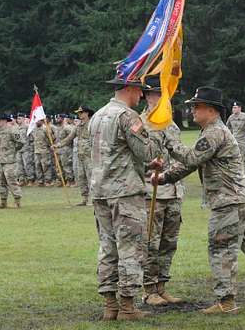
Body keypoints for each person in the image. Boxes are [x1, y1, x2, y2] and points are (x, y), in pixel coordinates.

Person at [154, 86, 245, 314]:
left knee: (221, 249)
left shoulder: (214, 132)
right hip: (241, 197)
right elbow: (193, 163)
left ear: (211, 109)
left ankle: (226, 302)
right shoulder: (213, 131)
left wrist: (167, 137)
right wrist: (164, 177)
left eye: (196, 107)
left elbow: (190, 157)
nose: (192, 111)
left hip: (229, 200)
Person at [89, 75, 164, 321]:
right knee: (130, 248)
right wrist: (155, 129)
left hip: (101, 192)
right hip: (125, 193)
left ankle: (110, 306)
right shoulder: (127, 116)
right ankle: (128, 307)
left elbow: (115, 155)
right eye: (139, 91)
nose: (141, 95)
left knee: (107, 248)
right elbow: (147, 150)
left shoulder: (98, 115)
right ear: (130, 89)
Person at [139, 76, 184, 307]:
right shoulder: (140, 123)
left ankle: (162, 286)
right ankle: (148, 289)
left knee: (169, 242)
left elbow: (180, 155)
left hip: (173, 191)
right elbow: (136, 157)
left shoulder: (170, 123)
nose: (163, 98)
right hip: (151, 191)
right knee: (150, 243)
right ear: (148, 96)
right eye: (158, 94)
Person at [0, 114, 23, 208]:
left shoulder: (12, 130)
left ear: (5, 121)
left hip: (10, 161)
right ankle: (3, 201)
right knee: (1, 182)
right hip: (0, 160)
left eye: (0, 120)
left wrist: (13, 150)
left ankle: (17, 200)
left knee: (11, 181)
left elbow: (21, 142)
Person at [226, 102, 245, 179]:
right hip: (234, 142)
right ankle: (238, 177)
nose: (233, 109)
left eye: (235, 107)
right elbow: (228, 127)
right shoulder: (231, 117)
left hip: (244, 142)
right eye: (233, 107)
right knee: (235, 160)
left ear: (239, 108)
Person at [55, 114, 76, 185]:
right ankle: (61, 180)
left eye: (59, 118)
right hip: (58, 150)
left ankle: (70, 180)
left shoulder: (67, 128)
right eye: (57, 118)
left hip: (66, 150)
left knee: (66, 166)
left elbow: (72, 137)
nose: (57, 119)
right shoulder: (57, 128)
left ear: (64, 119)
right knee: (58, 167)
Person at [33, 120, 54, 187]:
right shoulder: (34, 129)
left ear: (41, 121)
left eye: (38, 121)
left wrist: (49, 145)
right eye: (36, 121)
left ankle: (48, 181)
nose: (36, 122)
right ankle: (40, 181)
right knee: (38, 166)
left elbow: (51, 138)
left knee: (46, 166)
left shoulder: (45, 129)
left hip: (44, 150)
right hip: (36, 150)